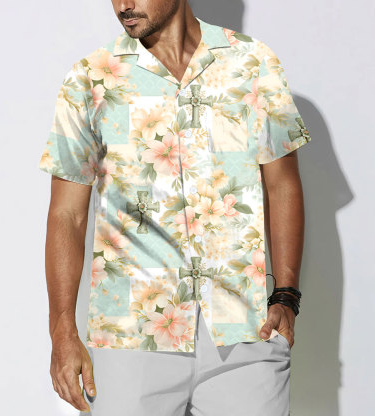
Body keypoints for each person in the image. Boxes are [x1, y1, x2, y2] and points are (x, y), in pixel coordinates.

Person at [38, 1, 310, 415]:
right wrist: (62, 332)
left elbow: (282, 183)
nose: (124, 5)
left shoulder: (252, 62)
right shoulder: (90, 79)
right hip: (130, 338)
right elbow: (67, 215)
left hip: (244, 331)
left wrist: (286, 296)